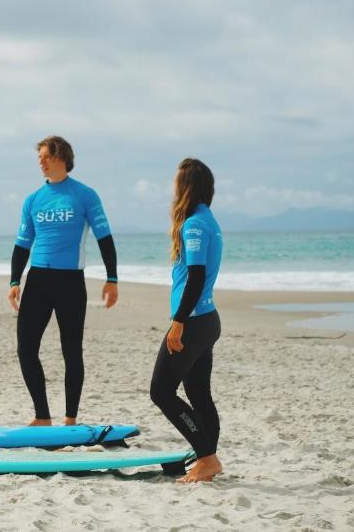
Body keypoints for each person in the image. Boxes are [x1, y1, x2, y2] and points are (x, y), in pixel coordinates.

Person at [7, 136, 119, 426]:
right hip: (38, 280)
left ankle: (70, 419)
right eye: (39, 157)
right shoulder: (33, 200)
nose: (41, 162)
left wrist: (112, 278)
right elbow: (22, 245)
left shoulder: (85, 195)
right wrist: (14, 281)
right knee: (25, 349)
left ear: (61, 157)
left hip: (70, 281)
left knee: (71, 350)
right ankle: (42, 416)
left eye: (46, 156)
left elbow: (105, 238)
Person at [149, 158, 224, 483]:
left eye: (176, 183)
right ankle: (206, 459)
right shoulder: (209, 221)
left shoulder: (193, 225)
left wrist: (178, 322)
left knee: (161, 391)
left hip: (192, 321)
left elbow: (195, 277)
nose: (173, 189)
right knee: (198, 393)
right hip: (207, 320)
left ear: (186, 187)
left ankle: (207, 458)